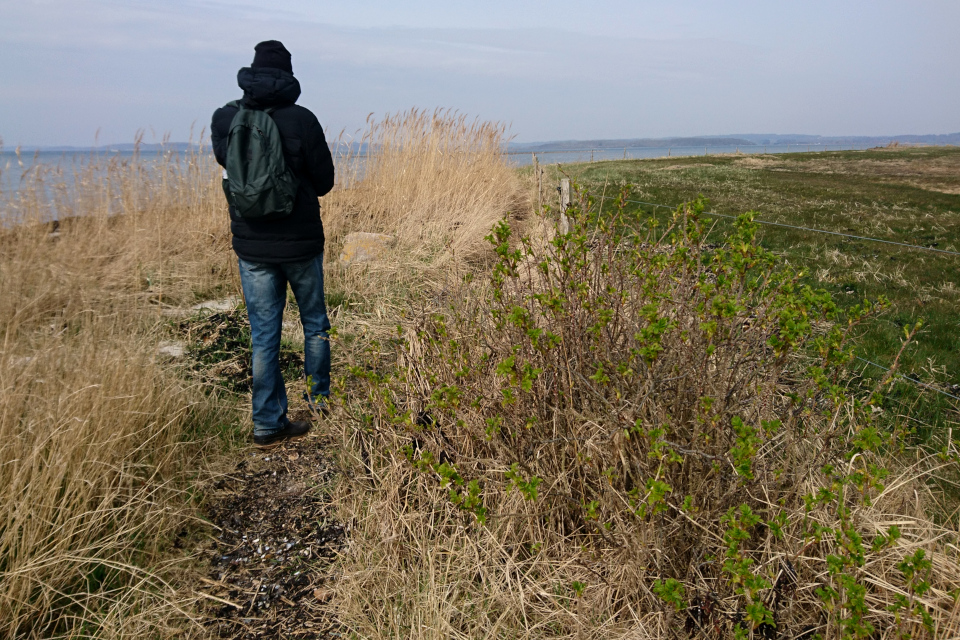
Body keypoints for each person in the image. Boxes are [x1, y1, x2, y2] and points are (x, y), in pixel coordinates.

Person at [211, 40, 335, 447]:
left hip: (253, 248)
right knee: (314, 325)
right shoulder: (303, 120)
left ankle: (267, 422)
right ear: (288, 76)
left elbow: (231, 167)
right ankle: (319, 404)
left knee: (264, 335)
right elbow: (325, 183)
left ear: (251, 72)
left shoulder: (225, 118)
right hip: (301, 243)